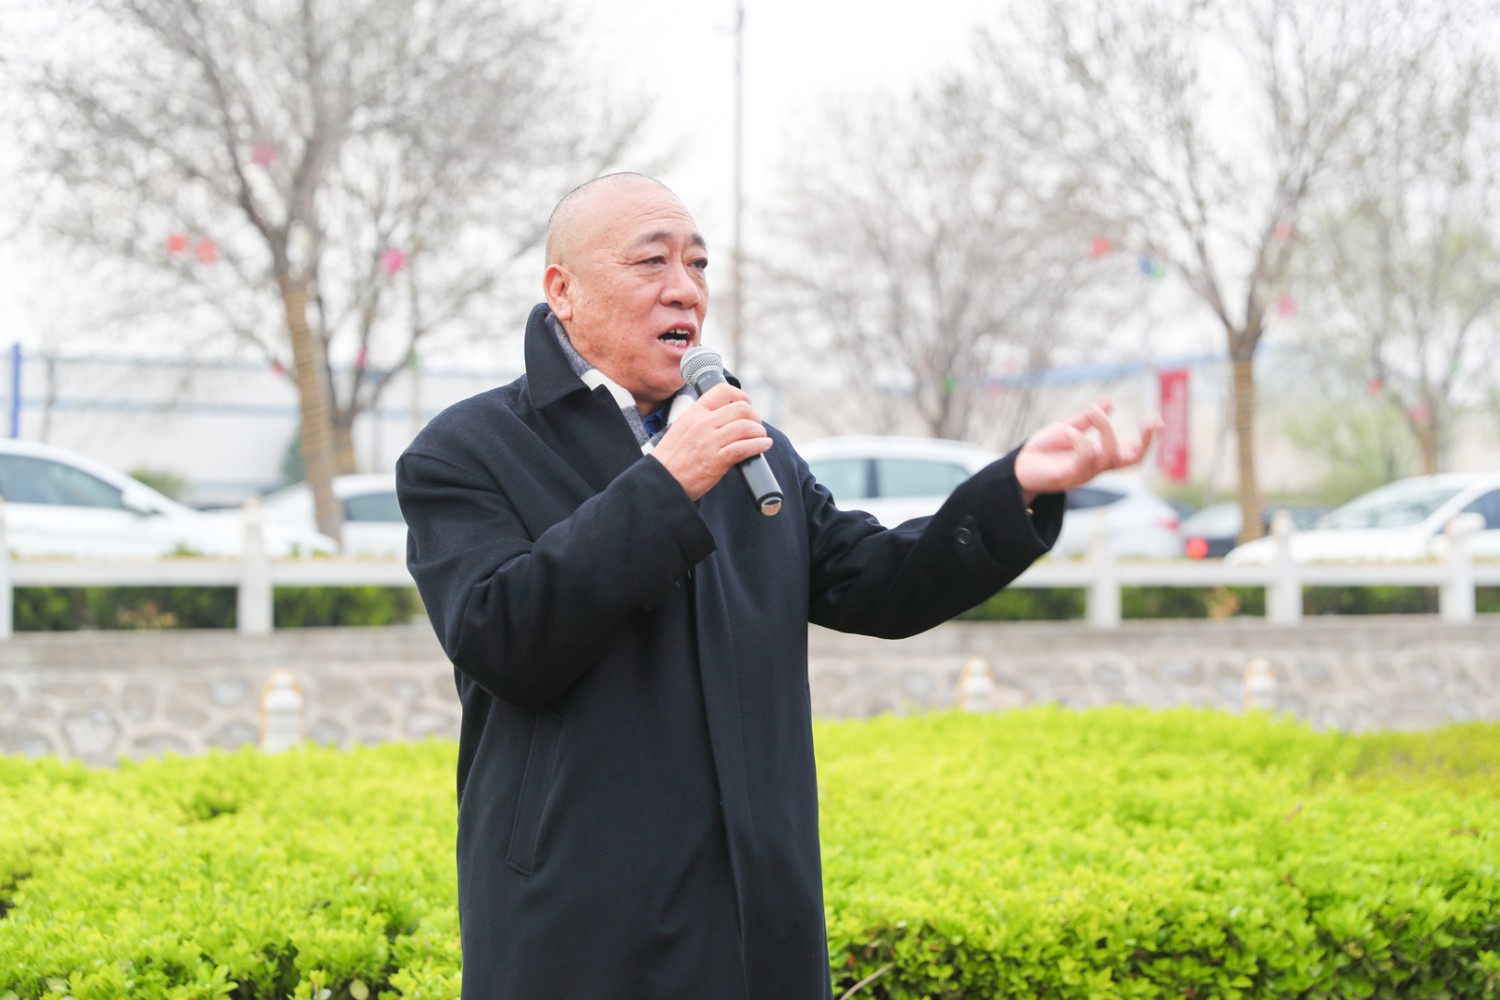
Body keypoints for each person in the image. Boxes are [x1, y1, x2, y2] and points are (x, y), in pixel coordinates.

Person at [395, 171, 1159, 1000]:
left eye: (698, 264)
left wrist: (1015, 488)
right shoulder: (468, 450)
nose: (684, 288)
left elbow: (882, 583)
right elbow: (500, 637)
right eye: (651, 262)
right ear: (563, 291)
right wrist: (665, 485)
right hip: (579, 919)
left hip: (756, 914)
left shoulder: (749, 449)